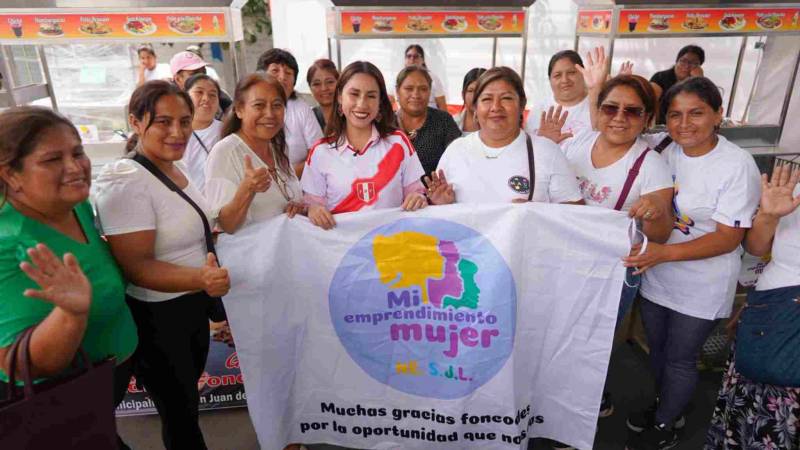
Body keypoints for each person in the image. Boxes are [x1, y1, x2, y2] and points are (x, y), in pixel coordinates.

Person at [622, 76, 761, 450]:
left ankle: (666, 423)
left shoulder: (736, 165)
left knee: (680, 358)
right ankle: (663, 404)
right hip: (658, 274)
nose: (684, 124)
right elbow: (620, 128)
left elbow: (729, 237)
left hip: (702, 281)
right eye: (675, 114)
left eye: (696, 113)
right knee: (657, 350)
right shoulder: (663, 148)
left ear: (718, 114)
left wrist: (664, 253)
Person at [94, 81, 231, 450]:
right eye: (164, 122)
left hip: (190, 307)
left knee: (186, 408)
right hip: (160, 319)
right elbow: (137, 267)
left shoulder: (173, 166)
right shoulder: (125, 179)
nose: (177, 132)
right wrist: (201, 278)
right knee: (180, 418)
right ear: (136, 122)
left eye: (184, 122)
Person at [0, 106, 138, 450]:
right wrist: (71, 315)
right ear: (10, 175)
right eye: (52, 160)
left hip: (104, 385)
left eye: (77, 153)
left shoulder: (73, 204)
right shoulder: (8, 242)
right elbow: (19, 365)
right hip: (59, 410)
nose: (75, 168)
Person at [705, 164, 800, 450]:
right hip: (772, 312)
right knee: (750, 417)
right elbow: (757, 248)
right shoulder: (793, 187)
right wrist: (769, 216)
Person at [429, 66, 583, 206]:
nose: (496, 107)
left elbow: (575, 213)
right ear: (475, 107)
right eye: (487, 99)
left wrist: (536, 211)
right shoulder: (456, 151)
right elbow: (436, 213)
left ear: (522, 104)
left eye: (506, 98)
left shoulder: (547, 152)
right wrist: (438, 203)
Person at [301, 61, 428, 230]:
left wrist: (418, 198)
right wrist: (312, 209)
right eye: (354, 94)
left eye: (371, 96)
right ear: (340, 97)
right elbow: (310, 205)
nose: (362, 104)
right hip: (341, 245)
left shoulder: (399, 142)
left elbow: (418, 192)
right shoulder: (320, 152)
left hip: (391, 243)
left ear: (380, 102)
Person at [204, 73, 304, 234]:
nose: (270, 114)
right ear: (239, 110)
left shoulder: (278, 148)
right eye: (259, 105)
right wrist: (247, 190)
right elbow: (227, 225)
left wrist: (298, 208)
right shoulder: (224, 153)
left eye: (277, 105)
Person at [257, 49, 324, 177]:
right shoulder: (249, 109)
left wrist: (286, 177)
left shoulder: (302, 109)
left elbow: (319, 154)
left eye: (288, 73)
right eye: (275, 71)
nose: (282, 77)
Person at [395, 66, 462, 175]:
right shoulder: (386, 124)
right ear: (397, 91)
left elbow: (458, 160)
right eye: (409, 88)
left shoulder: (443, 121)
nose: (416, 95)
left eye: (423, 89)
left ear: (430, 91)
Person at [525, 50, 594, 138]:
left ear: (583, 73)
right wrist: (543, 141)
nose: (565, 80)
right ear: (550, 80)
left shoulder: (596, 104)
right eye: (557, 75)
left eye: (571, 73)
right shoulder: (540, 108)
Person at [182, 74, 223, 191]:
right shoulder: (174, 134)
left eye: (212, 95)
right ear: (185, 98)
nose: (206, 98)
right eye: (199, 92)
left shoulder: (227, 132)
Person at [650, 45, 705, 123]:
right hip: (661, 124)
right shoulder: (660, 77)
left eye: (693, 63)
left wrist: (699, 80)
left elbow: (705, 105)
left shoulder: (698, 81)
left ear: (699, 67)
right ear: (677, 61)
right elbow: (649, 101)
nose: (687, 66)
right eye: (683, 61)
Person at [170, 51, 232, 116]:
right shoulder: (168, 101)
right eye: (194, 74)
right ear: (178, 79)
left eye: (204, 72)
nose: (201, 77)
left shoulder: (220, 96)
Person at [401, 44, 447, 110]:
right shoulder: (398, 78)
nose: (412, 59)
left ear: (422, 60)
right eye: (409, 56)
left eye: (416, 56)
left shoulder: (433, 78)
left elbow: (443, 107)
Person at [307, 59, 339, 132]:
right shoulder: (308, 117)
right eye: (317, 84)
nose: (324, 88)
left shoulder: (350, 115)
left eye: (330, 82)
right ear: (310, 88)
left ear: (339, 83)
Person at [453, 67, 486, 133]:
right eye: (471, 91)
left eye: (481, 90)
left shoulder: (498, 127)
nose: (475, 96)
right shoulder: (451, 124)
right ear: (463, 95)